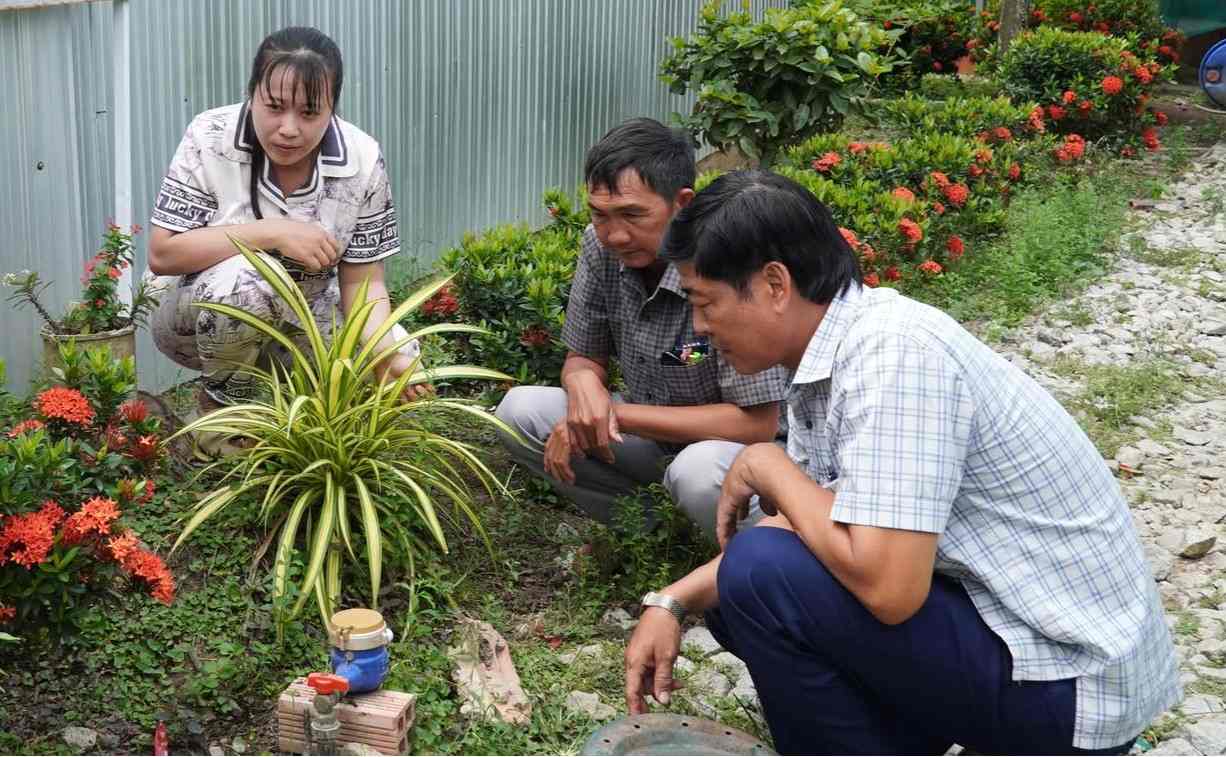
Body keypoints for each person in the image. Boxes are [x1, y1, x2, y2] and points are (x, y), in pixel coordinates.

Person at [623, 170, 1181, 755]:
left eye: (705, 303)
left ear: (774, 285)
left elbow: (890, 590)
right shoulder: (832, 353)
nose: (700, 329)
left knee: (760, 573)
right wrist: (672, 601)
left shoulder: (894, 355)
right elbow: (811, 527)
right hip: (1017, 642)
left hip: (1073, 685)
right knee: (741, 593)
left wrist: (769, 465)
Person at [495, 119, 789, 539]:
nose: (614, 234)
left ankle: (749, 555)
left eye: (633, 214)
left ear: (682, 203)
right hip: (651, 441)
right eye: (599, 215)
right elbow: (583, 356)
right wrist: (584, 395)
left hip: (739, 455)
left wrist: (616, 413)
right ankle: (658, 534)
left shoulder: (727, 259)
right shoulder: (599, 248)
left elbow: (757, 424)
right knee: (519, 412)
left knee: (697, 469)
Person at [145, 27, 425, 456]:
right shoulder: (210, 137)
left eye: (310, 113)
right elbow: (163, 253)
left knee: (399, 351)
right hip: (190, 320)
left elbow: (363, 284)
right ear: (252, 92)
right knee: (250, 279)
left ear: (333, 108)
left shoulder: (362, 159)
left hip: (304, 313)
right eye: (274, 107)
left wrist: (386, 355)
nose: (288, 129)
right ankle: (220, 423)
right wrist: (273, 233)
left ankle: (312, 435)